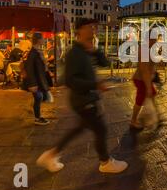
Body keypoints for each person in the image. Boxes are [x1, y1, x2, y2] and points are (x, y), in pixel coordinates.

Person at [36, 18, 128, 174]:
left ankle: (51, 155)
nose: (93, 30)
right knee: (101, 129)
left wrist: (95, 50)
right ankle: (105, 162)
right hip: (83, 99)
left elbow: (105, 63)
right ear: (80, 30)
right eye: (90, 27)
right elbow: (71, 80)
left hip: (88, 98)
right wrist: (96, 85)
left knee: (80, 128)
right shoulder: (74, 53)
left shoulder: (87, 50)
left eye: (94, 27)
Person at [131, 38, 159, 129]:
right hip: (141, 79)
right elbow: (144, 70)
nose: (156, 41)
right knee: (140, 99)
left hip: (146, 79)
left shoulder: (150, 49)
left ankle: (155, 115)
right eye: (154, 39)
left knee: (153, 93)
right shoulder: (144, 50)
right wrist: (148, 87)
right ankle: (133, 121)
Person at [24, 33, 50, 126]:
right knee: (38, 98)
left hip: (39, 79)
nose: (44, 40)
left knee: (39, 98)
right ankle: (37, 118)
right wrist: (32, 84)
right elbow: (29, 68)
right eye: (43, 38)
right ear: (38, 40)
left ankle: (38, 117)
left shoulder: (38, 51)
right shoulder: (33, 53)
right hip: (35, 81)